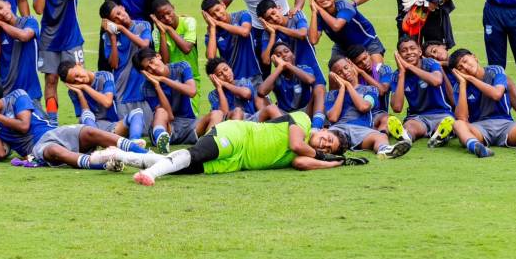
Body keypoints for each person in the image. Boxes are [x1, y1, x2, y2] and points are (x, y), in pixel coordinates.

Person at [122, 111, 369, 186]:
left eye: (329, 146)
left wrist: (331, 163)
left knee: (184, 168)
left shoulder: (303, 155)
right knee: (195, 154)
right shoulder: (303, 122)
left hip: (238, 162)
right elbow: (296, 145)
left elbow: (301, 163)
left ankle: (119, 156)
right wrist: (323, 155)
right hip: (238, 135)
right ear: (323, 129)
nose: (324, 144)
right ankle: (150, 176)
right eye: (327, 138)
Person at [0, 80, 147, 169]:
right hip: (37, 147)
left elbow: (23, 125)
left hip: (55, 132)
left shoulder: (17, 96)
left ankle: (143, 154)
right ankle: (103, 165)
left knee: (91, 131)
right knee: (54, 151)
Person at [447, 48, 516, 158]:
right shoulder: (458, 87)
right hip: (479, 129)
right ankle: (476, 147)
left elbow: (497, 94)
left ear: (474, 57)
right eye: (460, 68)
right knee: (457, 124)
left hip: (506, 126)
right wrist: (463, 84)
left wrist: (471, 78)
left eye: (465, 61)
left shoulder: (495, 70)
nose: (465, 67)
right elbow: (462, 118)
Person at [32, 0, 84, 123]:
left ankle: (84, 119)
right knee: (51, 80)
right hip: (49, 40)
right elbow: (38, 9)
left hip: (71, 37)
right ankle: (52, 121)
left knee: (77, 79)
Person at [325, 54, 409, 159]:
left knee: (381, 136)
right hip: (339, 129)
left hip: (362, 131)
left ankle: (384, 150)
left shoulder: (370, 90)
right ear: (335, 77)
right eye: (339, 73)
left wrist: (348, 86)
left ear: (351, 65)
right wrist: (342, 89)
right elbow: (333, 117)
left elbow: (364, 107)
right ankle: (325, 154)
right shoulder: (331, 95)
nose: (345, 73)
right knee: (326, 137)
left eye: (346, 68)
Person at [423, 40, 516, 118]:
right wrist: (440, 68)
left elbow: (480, 73)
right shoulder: (437, 72)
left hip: (484, 93)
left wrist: (443, 63)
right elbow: (453, 100)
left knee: (505, 80)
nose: (435, 56)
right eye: (431, 57)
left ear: (443, 46)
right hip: (462, 104)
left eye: (435, 51)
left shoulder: (462, 59)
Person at [388, 35, 454, 153]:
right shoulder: (396, 75)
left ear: (419, 51)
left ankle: (439, 136)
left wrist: (410, 67)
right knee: (410, 127)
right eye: (404, 50)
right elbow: (397, 108)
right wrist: (402, 73)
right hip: (418, 117)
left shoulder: (430, 63)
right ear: (399, 55)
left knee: (445, 124)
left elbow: (436, 81)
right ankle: (406, 138)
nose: (409, 52)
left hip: (442, 113)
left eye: (412, 48)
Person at [100, 0, 153, 140]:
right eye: (114, 18)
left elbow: (144, 45)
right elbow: (114, 64)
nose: (119, 17)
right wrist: (112, 37)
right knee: (127, 131)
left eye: (119, 13)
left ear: (122, 7)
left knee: (147, 131)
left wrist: (123, 29)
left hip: (142, 89)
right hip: (122, 92)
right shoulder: (107, 37)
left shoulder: (143, 25)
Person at [134, 48, 203, 154]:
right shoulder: (146, 87)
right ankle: (161, 139)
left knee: (215, 114)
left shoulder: (181, 67)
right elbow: (169, 116)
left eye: (152, 62)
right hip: (167, 127)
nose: (152, 68)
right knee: (160, 112)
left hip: (189, 124)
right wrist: (157, 86)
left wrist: (163, 79)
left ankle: (212, 142)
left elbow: (192, 91)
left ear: (158, 56)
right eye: (147, 68)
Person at [0, 0, 42, 107]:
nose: (1, 12)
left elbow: (24, 36)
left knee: (32, 123)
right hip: (7, 94)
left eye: (1, 7)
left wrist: (0, 23)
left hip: (31, 93)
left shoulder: (28, 21)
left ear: (8, 4)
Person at [309, 0, 384, 63]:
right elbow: (313, 40)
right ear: (315, 0)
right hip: (343, 48)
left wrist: (318, 8)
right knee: (335, 72)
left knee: (377, 73)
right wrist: (313, 12)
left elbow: (336, 26)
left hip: (367, 43)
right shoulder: (319, 15)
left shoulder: (345, 5)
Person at [257, 0, 325, 88]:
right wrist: (273, 34)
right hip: (289, 76)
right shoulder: (267, 33)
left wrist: (278, 28)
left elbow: (302, 34)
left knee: (319, 97)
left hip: (311, 66)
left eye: (273, 13)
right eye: (268, 18)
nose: (274, 18)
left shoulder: (295, 16)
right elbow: (266, 61)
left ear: (279, 8)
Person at [256, 43, 325, 128]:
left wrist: (288, 65)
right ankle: (283, 129)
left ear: (293, 55)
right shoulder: (276, 76)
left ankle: (316, 127)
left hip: (305, 111)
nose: (284, 55)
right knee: (258, 98)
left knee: (319, 87)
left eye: (286, 51)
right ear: (275, 62)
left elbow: (310, 80)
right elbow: (261, 92)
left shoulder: (303, 68)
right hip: (284, 115)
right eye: (278, 55)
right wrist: (279, 67)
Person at [202, 0, 262, 84]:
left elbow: (245, 32)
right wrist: (212, 28)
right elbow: (211, 58)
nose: (218, 15)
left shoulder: (242, 15)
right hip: (232, 80)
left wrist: (219, 23)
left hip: (254, 76)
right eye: (213, 15)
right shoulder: (212, 34)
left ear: (223, 5)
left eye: (218, 10)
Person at [150, 0, 200, 102]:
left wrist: (168, 29)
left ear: (173, 7)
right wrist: (163, 33)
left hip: (191, 78)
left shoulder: (188, 22)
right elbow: (164, 61)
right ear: (157, 19)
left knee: (191, 116)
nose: (167, 18)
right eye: (162, 17)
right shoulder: (156, 33)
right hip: (170, 80)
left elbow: (186, 48)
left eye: (168, 13)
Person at [206, 57, 277, 121]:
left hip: (251, 119)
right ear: (214, 79)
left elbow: (247, 94)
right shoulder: (213, 95)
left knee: (264, 103)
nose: (225, 74)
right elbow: (224, 114)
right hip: (232, 125)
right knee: (237, 111)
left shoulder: (242, 82)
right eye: (220, 74)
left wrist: (224, 83)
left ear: (230, 68)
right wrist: (219, 88)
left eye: (226, 69)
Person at [57, 61, 119, 131]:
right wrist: (80, 94)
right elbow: (85, 114)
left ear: (79, 64)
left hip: (111, 124)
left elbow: (107, 102)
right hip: (91, 125)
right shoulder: (73, 92)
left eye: (77, 75)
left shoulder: (105, 76)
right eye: (74, 82)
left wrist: (85, 87)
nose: (80, 80)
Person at [345, 44, 393, 132]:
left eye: (365, 58)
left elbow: (382, 90)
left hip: (379, 114)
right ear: (353, 65)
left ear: (368, 54)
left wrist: (362, 72)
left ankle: (381, 137)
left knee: (388, 120)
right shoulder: (352, 77)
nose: (364, 63)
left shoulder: (384, 69)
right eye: (359, 63)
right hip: (359, 115)